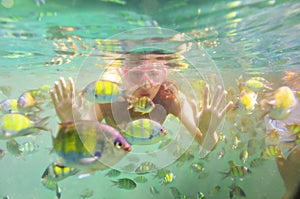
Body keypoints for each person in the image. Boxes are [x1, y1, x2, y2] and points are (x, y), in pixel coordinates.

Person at [50, 52, 233, 156]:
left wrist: (209, 130)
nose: (146, 83)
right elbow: (84, 145)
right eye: (136, 74)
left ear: (164, 74)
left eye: (154, 74)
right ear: (125, 75)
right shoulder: (110, 99)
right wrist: (69, 120)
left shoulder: (169, 96)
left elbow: (207, 145)